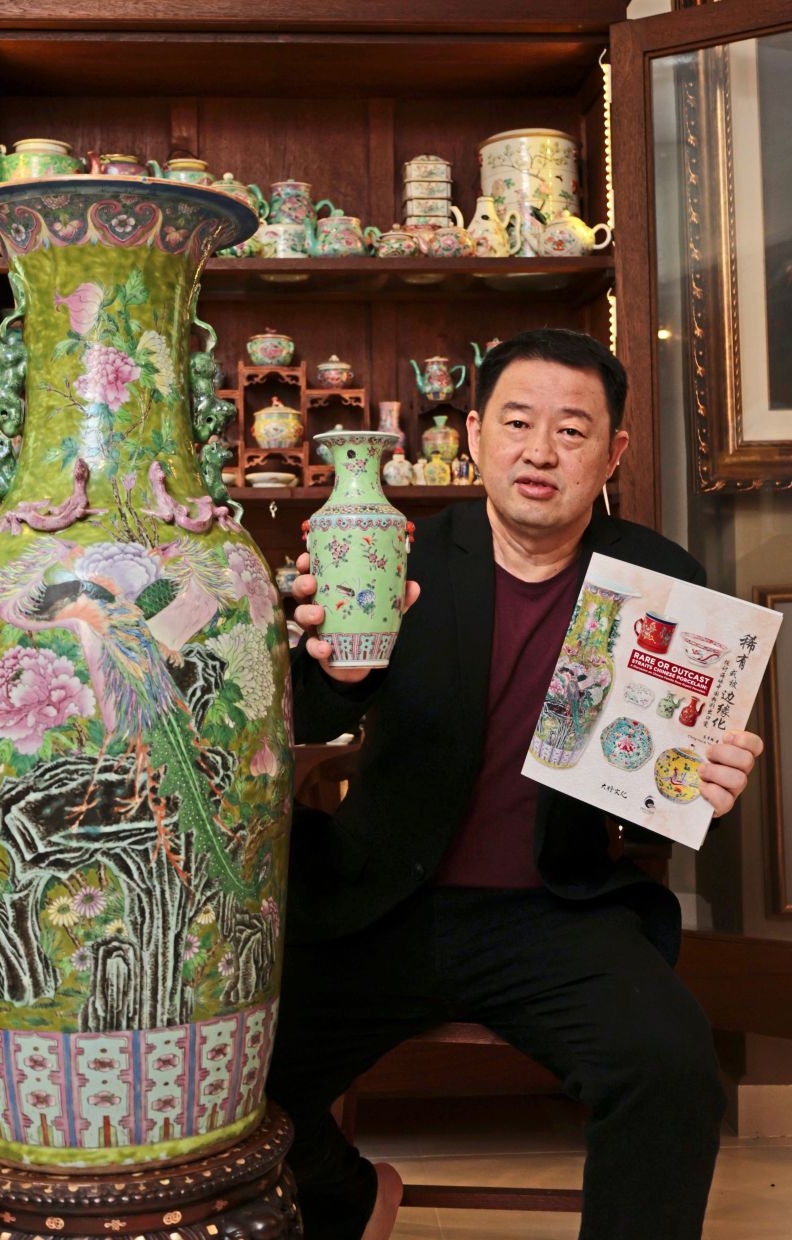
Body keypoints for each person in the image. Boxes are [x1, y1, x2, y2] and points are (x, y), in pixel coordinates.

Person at [266, 329, 763, 1240]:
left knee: (672, 1068)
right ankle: (351, 1197)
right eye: (518, 423)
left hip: (557, 912)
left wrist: (710, 789)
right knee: (232, 1068)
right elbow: (303, 711)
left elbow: (667, 803)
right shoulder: (394, 552)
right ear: (478, 433)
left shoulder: (660, 581)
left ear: (612, 453)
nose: (541, 452)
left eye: (573, 431)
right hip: (382, 903)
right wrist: (326, 669)